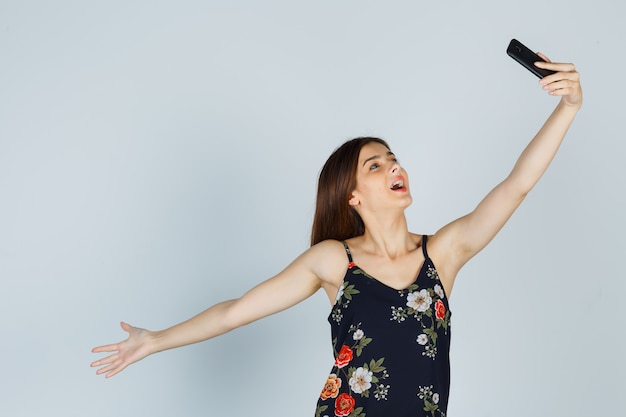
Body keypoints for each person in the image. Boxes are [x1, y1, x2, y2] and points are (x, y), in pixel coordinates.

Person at [91, 54, 582, 417]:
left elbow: (516, 186)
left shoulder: (443, 254)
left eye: (393, 158)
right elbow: (234, 313)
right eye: (376, 164)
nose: (394, 166)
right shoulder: (333, 261)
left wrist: (566, 110)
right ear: (352, 196)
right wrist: (153, 340)